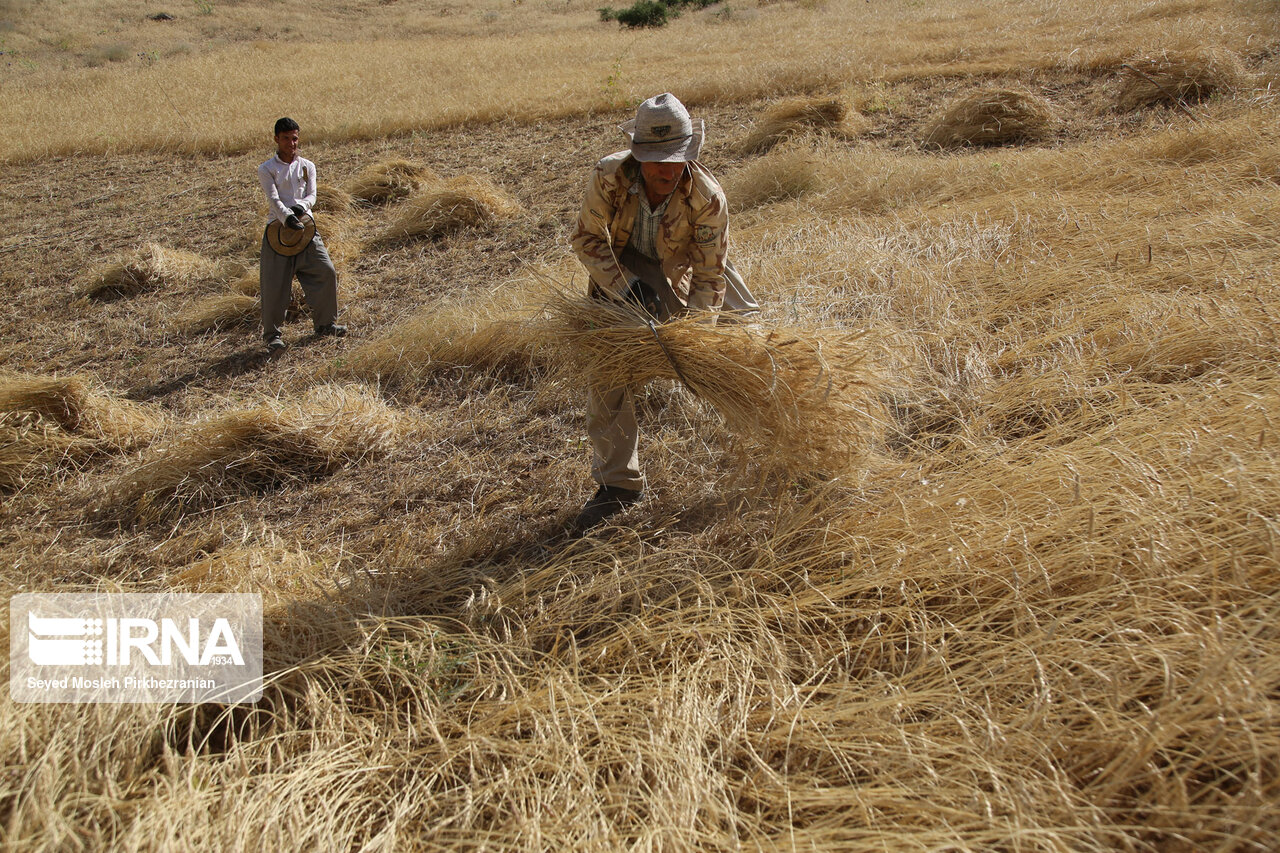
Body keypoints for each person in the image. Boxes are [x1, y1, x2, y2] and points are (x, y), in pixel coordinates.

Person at [569, 92, 758, 532]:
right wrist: (626, 288)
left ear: (689, 153)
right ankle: (618, 485)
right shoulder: (609, 175)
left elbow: (711, 274)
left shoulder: (708, 198)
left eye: (674, 159)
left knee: (747, 342)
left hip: (688, 263)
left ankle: (788, 445)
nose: (664, 171)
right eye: (655, 159)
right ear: (637, 152)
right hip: (620, 267)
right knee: (608, 368)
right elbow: (587, 240)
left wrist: (695, 336)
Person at [257, 117, 347, 352]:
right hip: (278, 233)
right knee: (274, 286)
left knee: (325, 271)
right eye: (286, 138)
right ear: (276, 139)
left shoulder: (308, 166)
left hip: (307, 230)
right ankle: (272, 336)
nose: (291, 143)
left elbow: (312, 195)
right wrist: (287, 217)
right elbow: (274, 200)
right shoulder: (266, 169)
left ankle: (326, 324)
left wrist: (301, 209)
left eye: (294, 138)